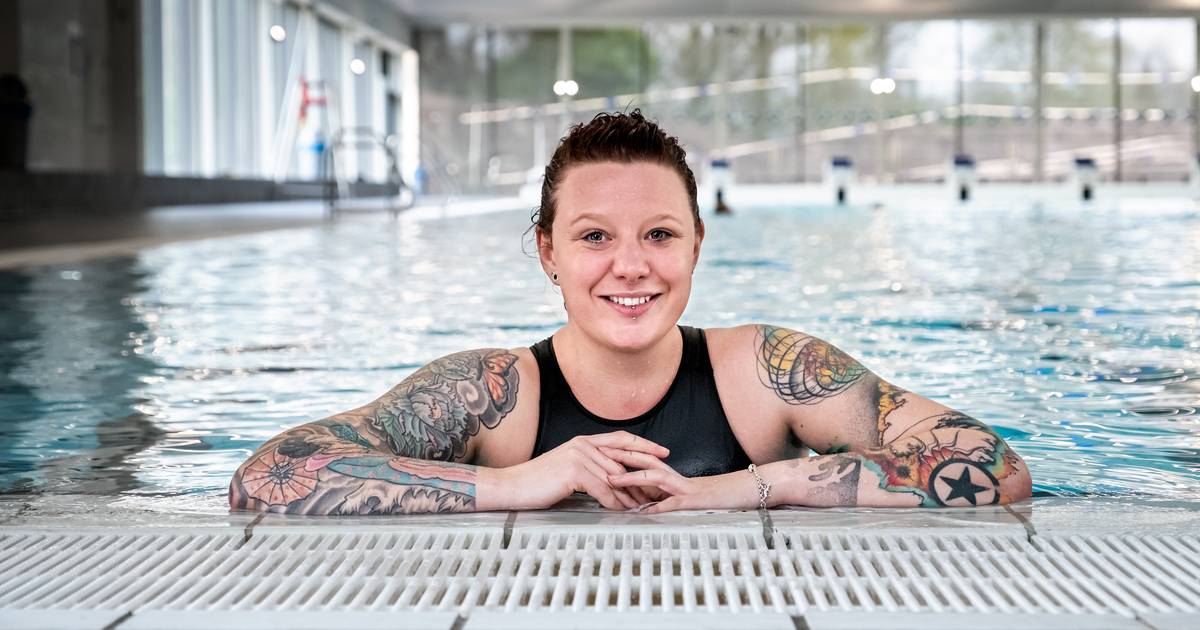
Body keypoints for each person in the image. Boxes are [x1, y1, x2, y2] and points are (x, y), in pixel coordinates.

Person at [229, 110, 1032, 515]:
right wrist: (520, 482)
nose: (631, 266)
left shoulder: (763, 373)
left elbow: (996, 464)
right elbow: (266, 478)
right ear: (548, 251)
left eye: (659, 234)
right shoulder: (494, 394)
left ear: (696, 244)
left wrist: (750, 487)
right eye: (594, 237)